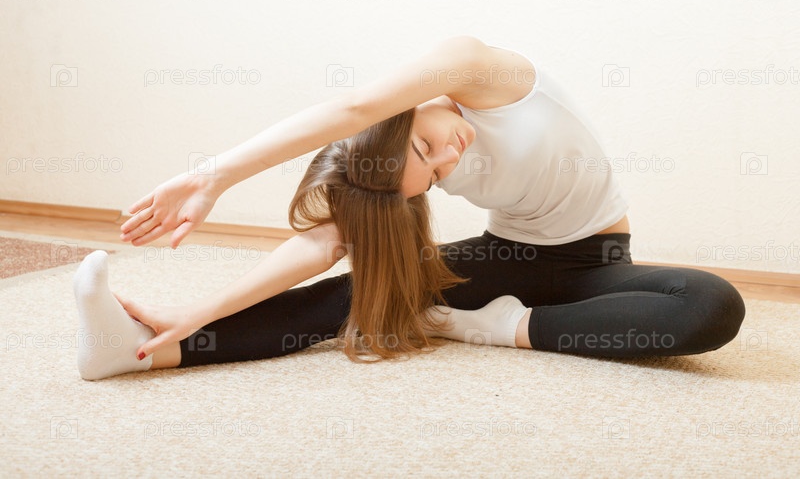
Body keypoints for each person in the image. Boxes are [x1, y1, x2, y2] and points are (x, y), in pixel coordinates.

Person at [72, 36, 745, 380]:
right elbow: (321, 247)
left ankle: (487, 328)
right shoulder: (396, 176)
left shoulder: (480, 72)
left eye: (426, 145)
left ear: (403, 113)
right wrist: (198, 314)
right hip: (509, 256)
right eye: (434, 174)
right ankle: (140, 353)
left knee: (710, 305)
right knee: (351, 295)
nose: (450, 156)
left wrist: (214, 174)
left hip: (598, 261)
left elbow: (354, 107)